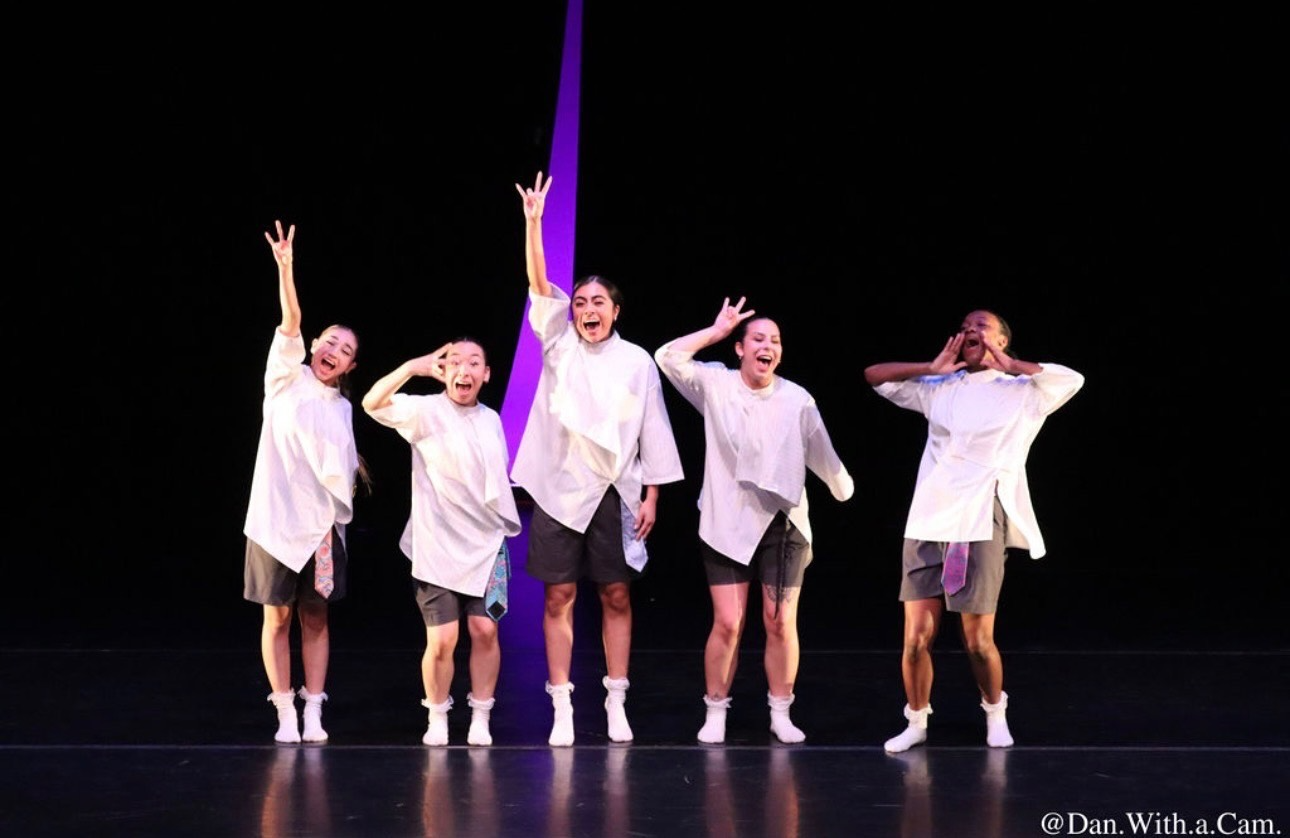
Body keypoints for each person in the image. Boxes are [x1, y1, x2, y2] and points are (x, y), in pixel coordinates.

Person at [511, 172, 685, 746]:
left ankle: (615, 701)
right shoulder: (558, 343)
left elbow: (653, 427)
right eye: (580, 301)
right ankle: (562, 705)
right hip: (562, 489)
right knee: (559, 595)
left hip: (616, 491)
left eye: (597, 302)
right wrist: (534, 223)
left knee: (615, 594)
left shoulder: (637, 361)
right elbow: (540, 285)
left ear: (616, 311)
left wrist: (654, 492)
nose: (587, 309)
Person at [864, 309, 1084, 752]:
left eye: (982, 326)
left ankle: (995, 709)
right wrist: (929, 368)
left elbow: (1072, 379)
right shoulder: (940, 387)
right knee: (915, 639)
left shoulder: (1024, 392)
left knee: (978, 641)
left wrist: (1014, 366)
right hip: (928, 517)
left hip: (980, 516)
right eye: (965, 327)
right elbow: (875, 376)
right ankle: (917, 721)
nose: (970, 331)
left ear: (1002, 340)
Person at [655, 296, 855, 744]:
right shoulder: (715, 384)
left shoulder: (796, 399)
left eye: (776, 341)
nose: (768, 346)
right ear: (740, 349)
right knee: (728, 621)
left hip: (783, 523)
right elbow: (666, 356)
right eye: (759, 339)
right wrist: (716, 330)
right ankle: (716, 710)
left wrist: (841, 485)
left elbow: (821, 452)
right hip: (727, 520)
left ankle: (781, 710)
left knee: (780, 619)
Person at [243, 220, 368, 744]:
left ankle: (314, 708)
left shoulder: (341, 408)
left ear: (350, 365)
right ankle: (284, 711)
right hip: (274, 523)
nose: (332, 350)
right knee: (277, 617)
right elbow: (289, 319)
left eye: (344, 348)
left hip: (319, 531)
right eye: (329, 340)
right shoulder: (284, 376)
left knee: (315, 619)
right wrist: (286, 267)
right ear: (314, 345)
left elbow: (339, 465)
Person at [362, 339, 522, 746]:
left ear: (486, 374)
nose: (463, 371)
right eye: (454, 363)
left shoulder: (491, 420)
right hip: (437, 545)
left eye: (473, 363)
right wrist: (412, 365)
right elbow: (372, 403)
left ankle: (481, 715)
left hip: (486, 547)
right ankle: (437, 714)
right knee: (443, 639)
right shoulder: (426, 410)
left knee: (486, 631)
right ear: (444, 371)